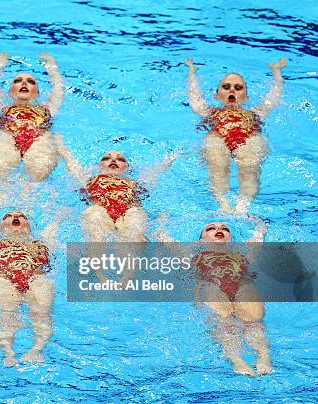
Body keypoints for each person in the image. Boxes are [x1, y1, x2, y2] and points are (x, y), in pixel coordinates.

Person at [155, 218, 272, 376]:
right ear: (201, 239)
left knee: (253, 322)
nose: (220, 229)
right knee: (224, 321)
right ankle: (236, 359)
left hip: (242, 285)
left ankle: (263, 357)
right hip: (210, 286)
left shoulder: (243, 251)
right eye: (211, 228)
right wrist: (161, 222)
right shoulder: (190, 253)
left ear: (230, 237)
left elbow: (259, 235)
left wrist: (258, 224)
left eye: (225, 228)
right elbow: (164, 238)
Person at [185, 57, 287, 213]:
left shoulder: (255, 113)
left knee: (251, 155)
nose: (232, 90)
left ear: (246, 97)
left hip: (248, 137)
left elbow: (273, 97)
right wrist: (192, 72)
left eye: (238, 88)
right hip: (218, 137)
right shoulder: (209, 112)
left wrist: (276, 72)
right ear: (216, 95)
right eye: (226, 87)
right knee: (214, 151)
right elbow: (194, 96)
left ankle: (242, 206)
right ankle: (223, 203)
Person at [0, 211, 60, 367]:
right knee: (6, 310)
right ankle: (8, 353)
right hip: (1, 278)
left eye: (23, 217)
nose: (15, 218)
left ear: (29, 226)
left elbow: (54, 226)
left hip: (36, 278)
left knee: (41, 309)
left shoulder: (40, 241)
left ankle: (36, 350)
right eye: (7, 217)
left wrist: (60, 215)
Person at [56, 136, 177, 243]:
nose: (113, 160)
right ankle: (97, 265)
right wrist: (60, 146)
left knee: (134, 223)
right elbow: (72, 165)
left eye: (121, 159)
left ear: (128, 168)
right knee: (95, 216)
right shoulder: (90, 179)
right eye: (106, 158)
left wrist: (170, 159)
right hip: (99, 210)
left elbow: (155, 172)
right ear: (99, 166)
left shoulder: (134, 183)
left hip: (129, 212)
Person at [0, 52, 65, 206]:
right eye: (18, 80)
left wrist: (51, 67)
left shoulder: (47, 108)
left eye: (30, 81)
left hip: (39, 138)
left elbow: (58, 89)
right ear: (9, 91)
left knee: (36, 180)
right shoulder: (2, 106)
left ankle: (29, 209)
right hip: (7, 137)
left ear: (38, 92)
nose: (24, 83)